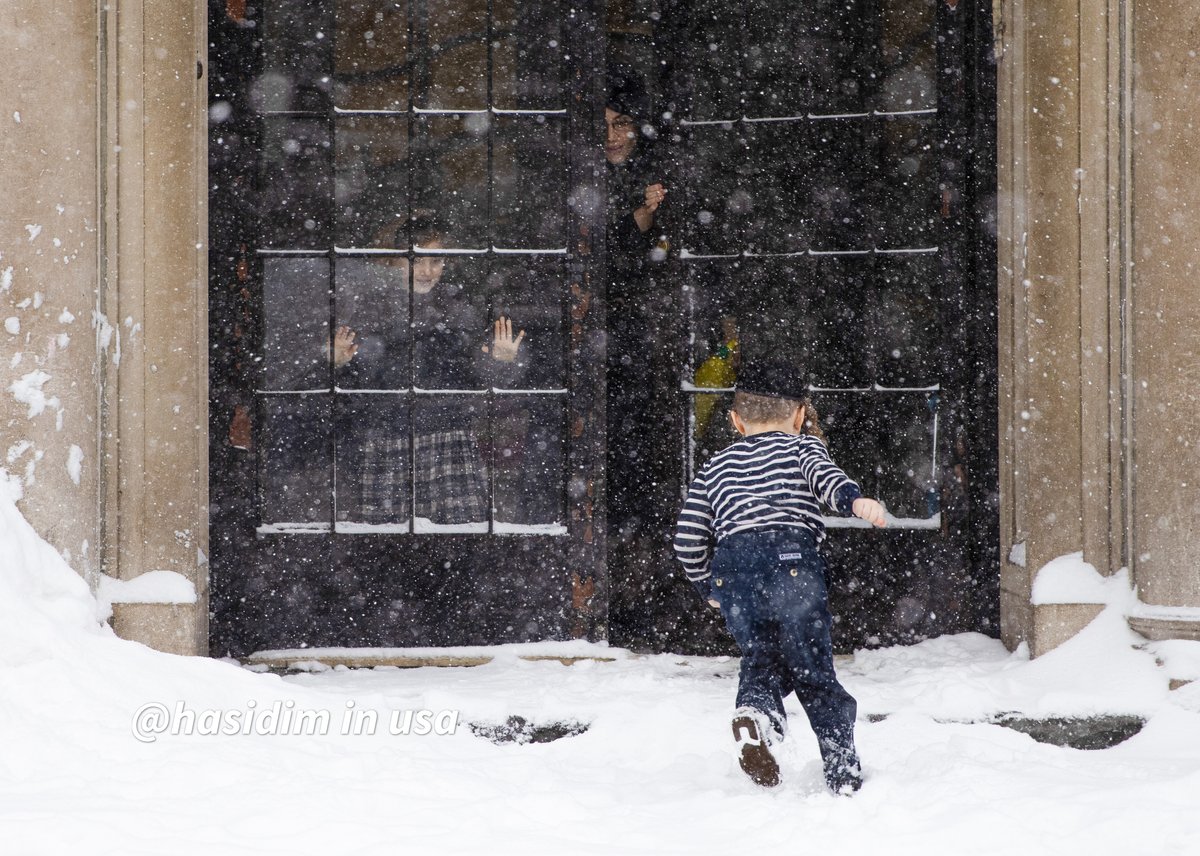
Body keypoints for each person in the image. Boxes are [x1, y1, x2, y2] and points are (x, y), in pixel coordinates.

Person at [672, 358, 887, 793]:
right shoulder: (803, 448)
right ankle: (842, 773)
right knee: (813, 671)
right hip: (791, 561)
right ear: (800, 416)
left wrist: (706, 585)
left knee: (762, 658)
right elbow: (826, 479)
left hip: (733, 571)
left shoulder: (714, 466)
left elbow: (687, 538)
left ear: (735, 420)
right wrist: (853, 500)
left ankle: (757, 717)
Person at [332, 214, 529, 527]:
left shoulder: (458, 306)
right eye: (417, 261)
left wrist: (499, 362)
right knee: (383, 547)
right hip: (387, 439)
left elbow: (478, 374)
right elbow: (354, 385)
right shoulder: (372, 307)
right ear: (397, 261)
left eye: (435, 261)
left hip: (448, 437)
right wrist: (341, 364)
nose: (426, 271)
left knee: (459, 539)